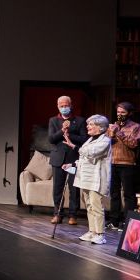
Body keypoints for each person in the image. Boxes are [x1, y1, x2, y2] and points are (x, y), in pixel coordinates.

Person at [72, 115, 113, 245]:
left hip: (97, 178)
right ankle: (92, 231)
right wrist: (74, 164)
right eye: (88, 124)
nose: (87, 126)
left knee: (96, 206)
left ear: (100, 128)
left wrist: (79, 149)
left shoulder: (105, 141)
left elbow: (91, 153)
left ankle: (100, 234)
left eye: (91, 124)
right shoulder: (89, 140)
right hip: (85, 178)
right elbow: (85, 156)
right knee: (88, 205)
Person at [48, 96, 87, 225]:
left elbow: (84, 139)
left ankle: (73, 215)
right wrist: (62, 131)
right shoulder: (53, 120)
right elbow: (51, 139)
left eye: (66, 105)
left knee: (73, 188)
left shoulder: (80, 121)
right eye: (61, 106)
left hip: (73, 159)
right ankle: (57, 214)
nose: (64, 108)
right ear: (58, 106)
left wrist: (70, 135)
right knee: (57, 188)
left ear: (71, 105)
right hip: (58, 158)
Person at [106, 102, 140, 230]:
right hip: (113, 162)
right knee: (114, 194)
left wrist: (119, 133)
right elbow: (106, 144)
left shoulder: (136, 127)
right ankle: (114, 221)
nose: (120, 115)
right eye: (118, 112)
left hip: (127, 163)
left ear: (129, 113)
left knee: (128, 194)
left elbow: (133, 144)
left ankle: (128, 222)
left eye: (123, 112)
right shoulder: (113, 126)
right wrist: (109, 135)